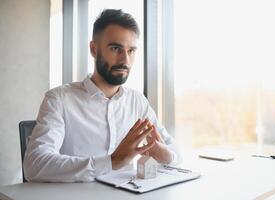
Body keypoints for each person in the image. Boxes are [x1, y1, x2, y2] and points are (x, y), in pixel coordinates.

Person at [23, 9, 180, 182]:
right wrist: (112, 162)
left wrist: (166, 155)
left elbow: (175, 153)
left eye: (131, 51)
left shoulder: (137, 102)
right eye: (115, 48)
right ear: (93, 49)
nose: (125, 60)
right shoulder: (59, 99)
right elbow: (34, 165)